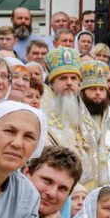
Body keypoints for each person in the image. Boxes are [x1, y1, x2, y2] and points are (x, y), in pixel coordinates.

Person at [41, 47, 105, 189]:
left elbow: (101, 158)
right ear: (51, 83)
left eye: (74, 78)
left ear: (79, 84)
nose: (69, 83)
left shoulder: (89, 121)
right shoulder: (43, 119)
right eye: (63, 78)